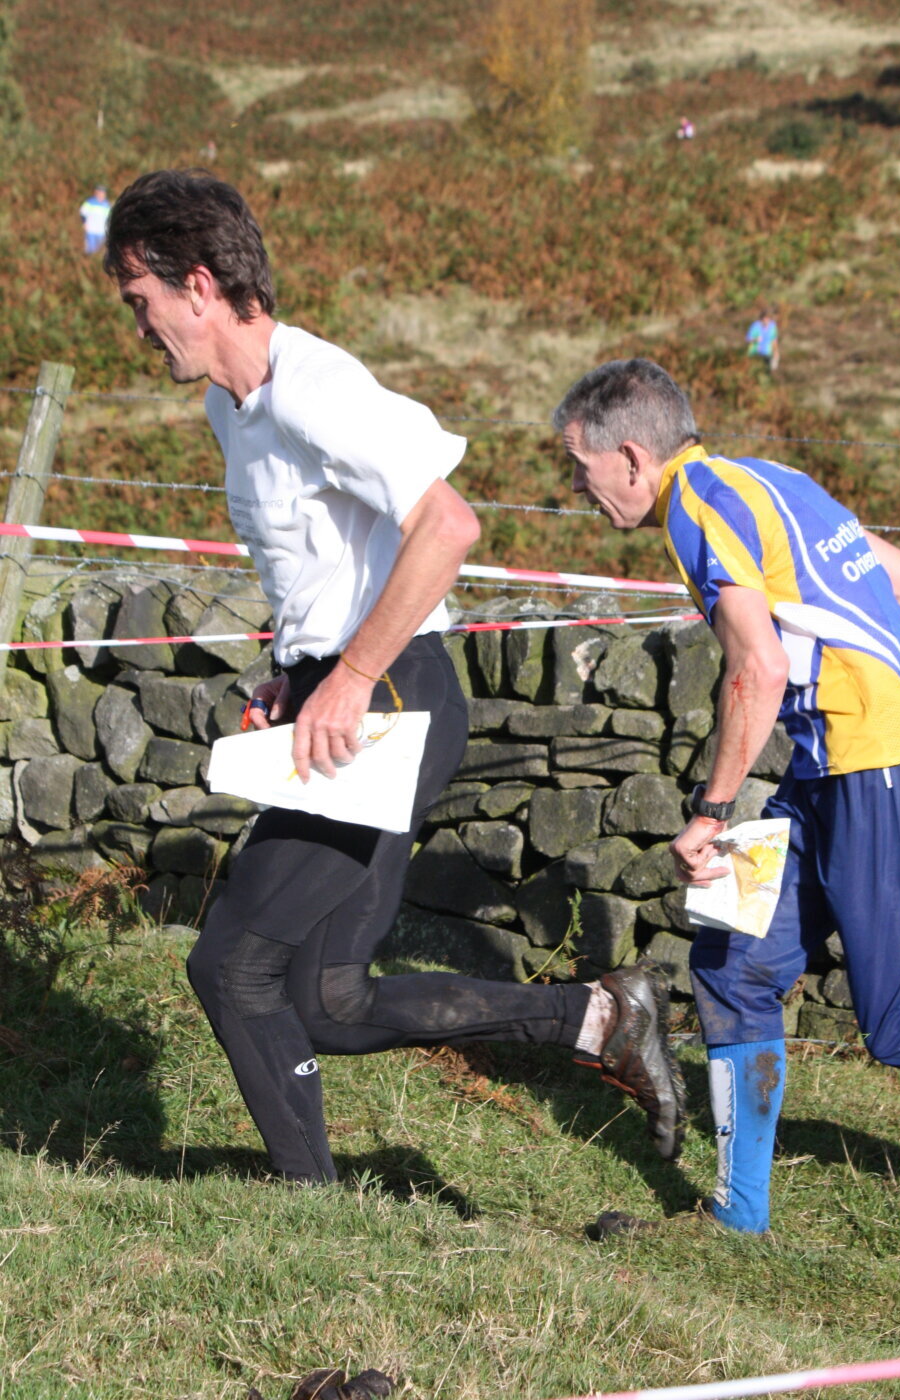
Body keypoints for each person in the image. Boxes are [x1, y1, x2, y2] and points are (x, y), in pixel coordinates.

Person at [103, 171, 686, 1183]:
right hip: (347, 687)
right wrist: (294, 670)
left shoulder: (314, 386)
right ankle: (598, 1018)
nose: (138, 327)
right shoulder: (230, 407)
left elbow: (448, 525)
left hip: (395, 692)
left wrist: (350, 674)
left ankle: (310, 1207)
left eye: (139, 300)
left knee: (232, 963)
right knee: (329, 999)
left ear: (197, 283)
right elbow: (324, 563)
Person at [553, 357, 900, 1233]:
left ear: (633, 458)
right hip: (837, 768)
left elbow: (757, 669)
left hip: (876, 766)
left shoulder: (696, 508)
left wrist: (712, 810)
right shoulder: (770, 479)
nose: (576, 486)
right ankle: (737, 1217)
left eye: (579, 465)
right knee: (733, 967)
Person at [79, 184, 111, 255]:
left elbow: (109, 218)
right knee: (91, 251)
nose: (102, 194)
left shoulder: (107, 204)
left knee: (101, 252)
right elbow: (82, 213)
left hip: (102, 232)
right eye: (100, 192)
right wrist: (84, 223)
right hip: (91, 230)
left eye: (103, 193)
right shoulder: (90, 202)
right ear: (96, 192)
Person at [745, 309, 778, 373]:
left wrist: (776, 351)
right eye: (765, 318)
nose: (766, 320)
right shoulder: (755, 326)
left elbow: (774, 340)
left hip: (767, 353)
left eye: (768, 318)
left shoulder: (772, 326)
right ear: (761, 318)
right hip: (755, 353)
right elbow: (747, 339)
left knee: (767, 371)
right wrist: (755, 339)